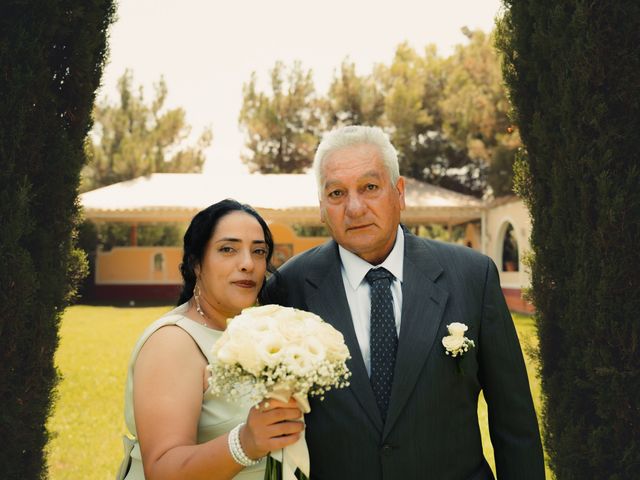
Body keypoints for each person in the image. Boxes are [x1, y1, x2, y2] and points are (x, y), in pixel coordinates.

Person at [260, 126, 545, 479]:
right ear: (321, 207)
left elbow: (514, 424)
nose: (354, 207)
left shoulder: (472, 276)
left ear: (400, 193)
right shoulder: (288, 289)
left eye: (369, 187)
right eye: (336, 193)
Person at [117, 199, 304, 480]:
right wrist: (246, 443)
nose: (247, 264)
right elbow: (162, 469)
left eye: (258, 251)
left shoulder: (259, 333)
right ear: (196, 264)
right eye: (227, 249)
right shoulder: (173, 342)